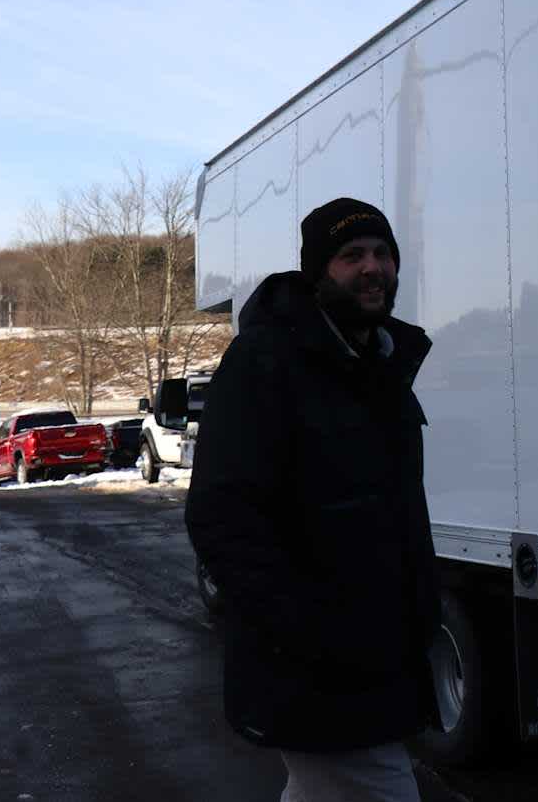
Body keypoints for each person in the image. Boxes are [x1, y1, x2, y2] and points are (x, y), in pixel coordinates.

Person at [186, 197, 440, 802]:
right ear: (319, 272)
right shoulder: (266, 363)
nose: (372, 267)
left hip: (378, 656)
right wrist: (306, 635)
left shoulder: (379, 363)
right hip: (318, 669)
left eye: (382, 253)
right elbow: (221, 516)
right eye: (351, 255)